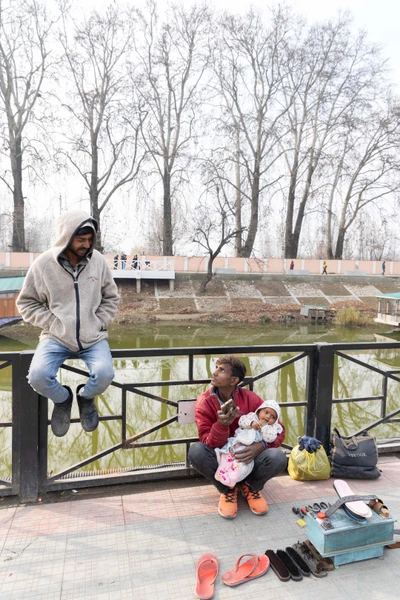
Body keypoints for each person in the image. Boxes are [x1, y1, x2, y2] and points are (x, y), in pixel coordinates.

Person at [16, 210, 120, 438]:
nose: (86, 244)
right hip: (56, 338)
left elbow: (112, 298)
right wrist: (53, 323)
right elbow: (25, 303)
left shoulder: (98, 262)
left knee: (104, 375)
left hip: (93, 338)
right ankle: (63, 400)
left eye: (90, 240)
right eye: (80, 239)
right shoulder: (43, 264)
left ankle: (85, 397)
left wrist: (99, 321)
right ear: (66, 236)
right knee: (38, 376)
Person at [188, 356, 287, 519]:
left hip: (249, 458)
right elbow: (207, 442)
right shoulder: (205, 402)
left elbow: (279, 429)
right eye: (216, 367)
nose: (214, 372)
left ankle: (251, 487)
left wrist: (261, 445)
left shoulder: (250, 398)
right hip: (224, 458)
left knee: (278, 457)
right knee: (196, 451)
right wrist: (221, 425)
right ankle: (228, 489)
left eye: (221, 370)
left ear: (234, 380)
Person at [214, 400, 283, 488]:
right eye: (266, 412)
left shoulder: (271, 428)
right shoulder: (252, 417)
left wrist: (264, 427)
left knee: (241, 466)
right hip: (237, 443)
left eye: (273, 417)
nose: (268, 417)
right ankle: (221, 473)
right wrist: (251, 424)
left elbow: (270, 438)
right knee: (226, 457)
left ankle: (233, 480)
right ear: (259, 411)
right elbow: (241, 421)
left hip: (250, 454)